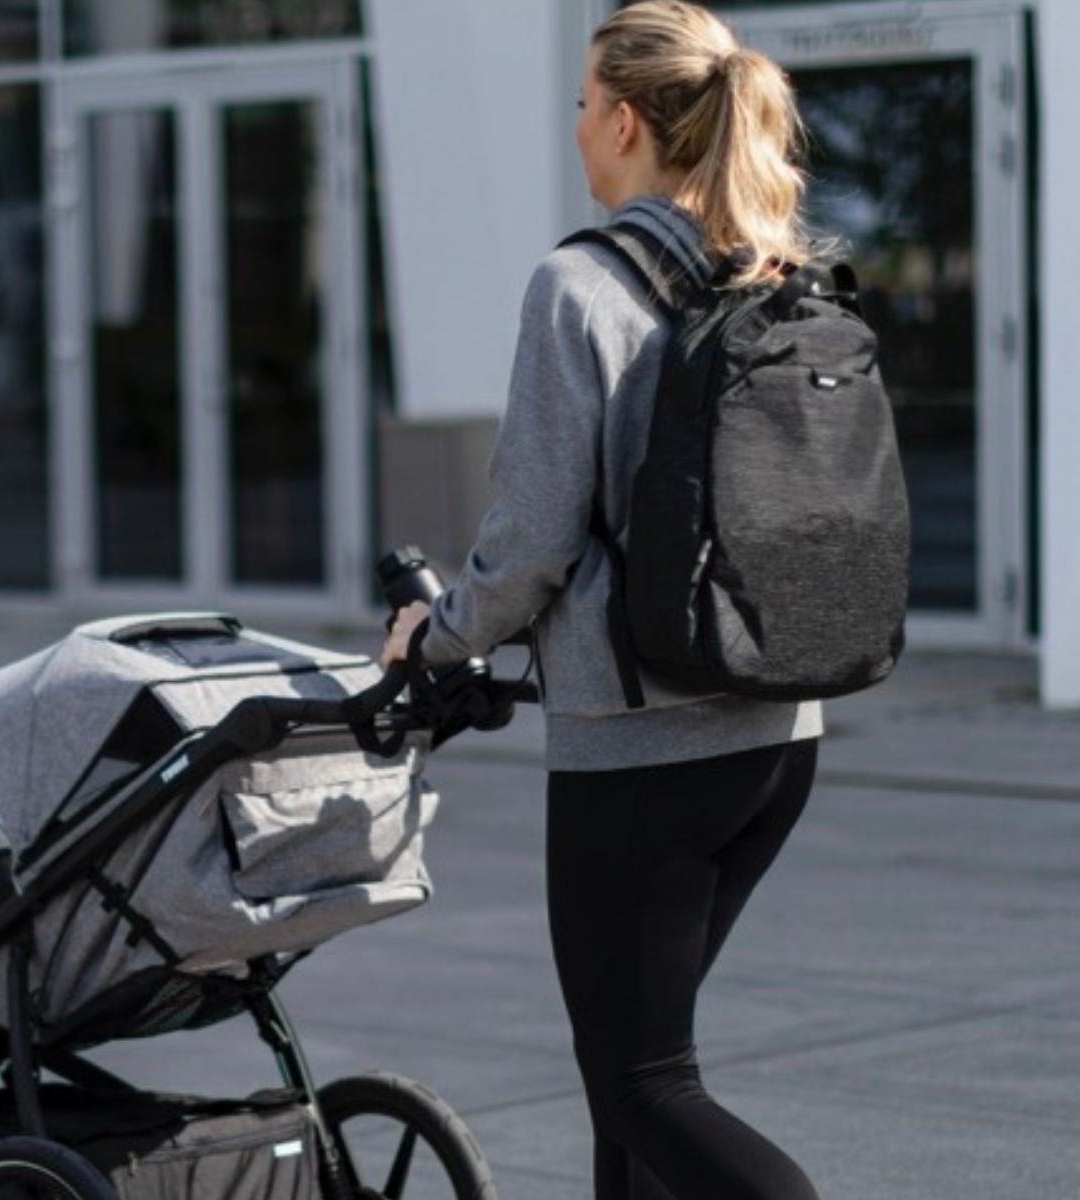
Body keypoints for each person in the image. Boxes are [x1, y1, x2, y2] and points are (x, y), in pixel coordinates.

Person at [378, 3, 831, 1197]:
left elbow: (528, 539)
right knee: (628, 1074)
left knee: (642, 1084)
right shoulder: (768, 274)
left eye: (581, 104)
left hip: (642, 749)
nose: (574, 127)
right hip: (776, 736)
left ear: (624, 122)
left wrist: (439, 637)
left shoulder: (576, 285)